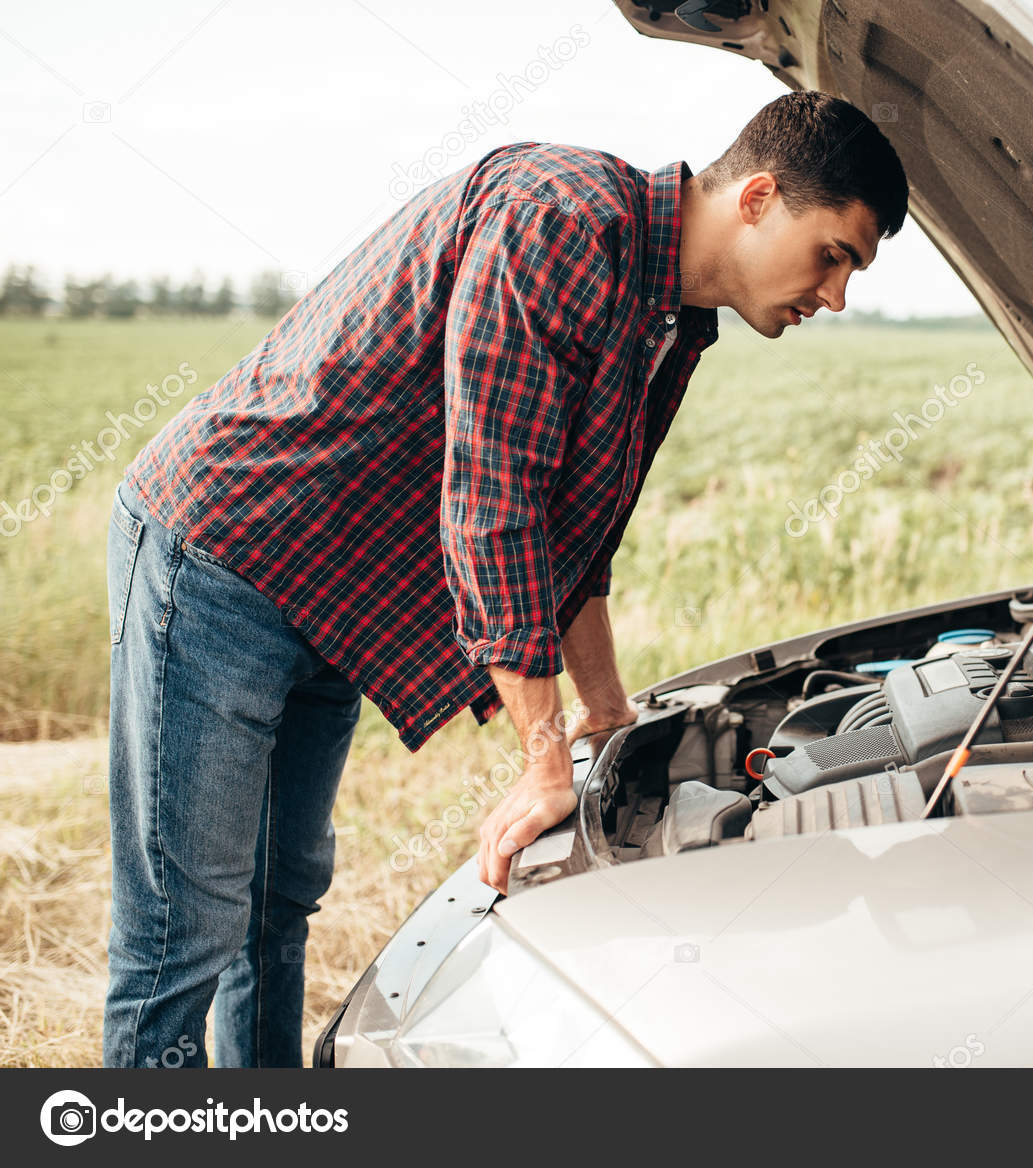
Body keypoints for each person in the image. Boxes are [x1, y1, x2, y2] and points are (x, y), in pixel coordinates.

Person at [102, 90, 908, 1067]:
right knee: (183, 932)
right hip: (229, 549)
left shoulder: (671, 320)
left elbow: (576, 530)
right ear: (759, 197)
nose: (835, 297)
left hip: (333, 593)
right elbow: (497, 502)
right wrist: (541, 760)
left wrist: (604, 713)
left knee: (275, 907)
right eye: (834, 255)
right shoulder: (562, 220)